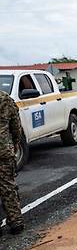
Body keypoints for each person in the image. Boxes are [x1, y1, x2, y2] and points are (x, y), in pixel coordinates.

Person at [0, 91, 24, 235]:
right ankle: (16, 222)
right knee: (7, 186)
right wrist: (15, 142)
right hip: (3, 150)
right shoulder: (4, 98)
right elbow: (16, 124)